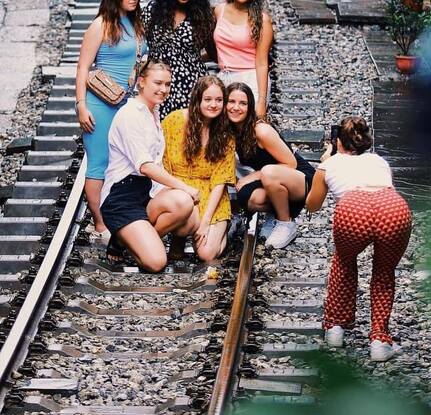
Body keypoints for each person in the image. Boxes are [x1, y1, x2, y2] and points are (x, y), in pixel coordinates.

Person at [305, 116, 412, 363]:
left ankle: (335, 330)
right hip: (392, 207)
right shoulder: (379, 161)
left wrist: (324, 165)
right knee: (384, 273)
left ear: (338, 143)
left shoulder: (329, 164)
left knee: (344, 262)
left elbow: (312, 205)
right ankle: (379, 341)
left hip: (354, 209)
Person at [100, 59, 200, 272]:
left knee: (189, 211)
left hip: (145, 193)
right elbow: (145, 166)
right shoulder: (130, 115)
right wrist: (184, 186)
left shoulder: (152, 112)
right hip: (122, 197)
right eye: (158, 83)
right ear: (141, 82)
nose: (164, 89)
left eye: (167, 84)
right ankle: (124, 239)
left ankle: (129, 240)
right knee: (156, 263)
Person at [75, 0, 144, 241]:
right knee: (99, 163)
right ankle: (100, 224)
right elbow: (82, 68)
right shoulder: (100, 26)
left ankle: (120, 214)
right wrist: (81, 105)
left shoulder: (134, 23)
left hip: (126, 103)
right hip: (101, 104)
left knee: (125, 162)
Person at [225, 84, 314, 250]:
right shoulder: (230, 131)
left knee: (268, 172)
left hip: (299, 178)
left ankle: (286, 223)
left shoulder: (260, 130)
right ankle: (275, 214)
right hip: (273, 179)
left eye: (243, 103)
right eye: (231, 101)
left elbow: (290, 164)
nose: (236, 107)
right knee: (248, 197)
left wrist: (252, 176)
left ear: (250, 107)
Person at [162, 76, 234, 261]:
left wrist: (206, 221)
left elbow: (220, 181)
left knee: (206, 254)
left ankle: (227, 230)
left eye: (219, 100)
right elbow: (161, 161)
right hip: (178, 189)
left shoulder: (225, 134)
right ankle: (179, 237)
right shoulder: (175, 120)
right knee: (183, 217)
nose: (213, 105)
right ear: (198, 100)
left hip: (210, 193)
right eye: (208, 99)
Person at [145, 0, 214, 119]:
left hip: (191, 85)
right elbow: (138, 44)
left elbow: (214, 53)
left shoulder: (203, 16)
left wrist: (190, 58)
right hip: (158, 84)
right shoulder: (152, 11)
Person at [213, 0, 273, 116]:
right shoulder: (220, 10)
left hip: (250, 78)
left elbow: (262, 63)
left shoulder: (261, 19)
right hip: (223, 78)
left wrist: (261, 101)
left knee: (248, 132)